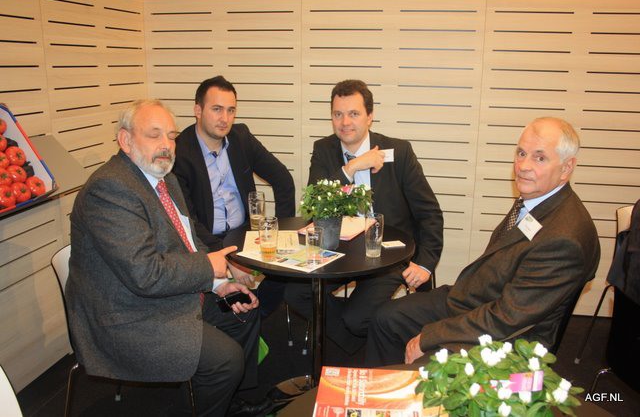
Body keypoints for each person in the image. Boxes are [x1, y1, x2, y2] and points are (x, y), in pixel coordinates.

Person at [65, 100, 268, 416]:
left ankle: (230, 401)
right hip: (127, 314)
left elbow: (188, 241)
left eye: (171, 136)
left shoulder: (164, 178)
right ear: (125, 140)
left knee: (244, 313)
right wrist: (208, 267)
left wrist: (218, 284)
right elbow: (144, 274)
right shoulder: (109, 189)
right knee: (225, 360)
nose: (166, 145)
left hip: (165, 292)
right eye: (154, 135)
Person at [366, 117, 601, 366]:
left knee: (425, 359)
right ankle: (382, 386)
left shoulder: (563, 239)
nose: (523, 166)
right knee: (386, 318)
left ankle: (404, 385)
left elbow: (507, 318)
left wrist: (429, 337)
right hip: (478, 300)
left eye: (539, 158)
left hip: (510, 338)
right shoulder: (537, 199)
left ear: (566, 168)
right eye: (521, 153)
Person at [284, 79, 444, 354]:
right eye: (338, 114)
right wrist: (353, 166)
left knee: (356, 319)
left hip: (388, 255)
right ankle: (358, 347)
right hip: (339, 252)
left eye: (354, 113)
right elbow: (315, 206)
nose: (345, 122)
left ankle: (360, 341)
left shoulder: (399, 152)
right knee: (295, 293)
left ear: (370, 116)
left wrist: (425, 264)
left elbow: (429, 213)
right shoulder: (324, 149)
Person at [173, 76, 296, 316]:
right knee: (228, 305)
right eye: (217, 109)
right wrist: (230, 259)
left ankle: (256, 315)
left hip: (244, 235)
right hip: (206, 240)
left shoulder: (241, 138)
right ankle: (241, 316)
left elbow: (283, 180)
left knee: (287, 274)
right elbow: (189, 222)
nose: (225, 118)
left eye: (231, 110)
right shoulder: (180, 153)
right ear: (198, 110)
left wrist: (280, 232)